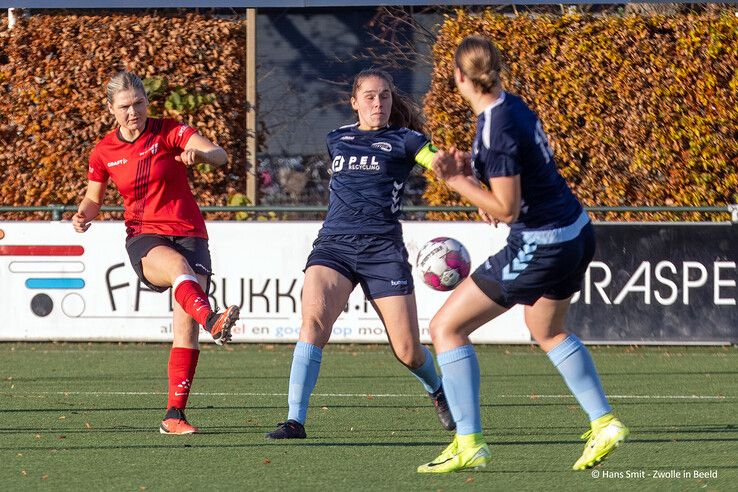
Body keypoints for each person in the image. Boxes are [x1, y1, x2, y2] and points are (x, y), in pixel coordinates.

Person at [417, 36, 628, 473]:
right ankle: (604, 422)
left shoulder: (496, 127)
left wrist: (455, 181)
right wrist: (474, 179)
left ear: (459, 76)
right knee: (544, 327)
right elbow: (512, 181)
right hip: (575, 231)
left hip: (542, 243)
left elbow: (507, 208)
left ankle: (468, 441)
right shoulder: (509, 107)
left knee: (446, 328)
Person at [266, 69, 454, 439]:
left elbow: (438, 162)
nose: (377, 103)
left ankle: (437, 389)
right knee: (313, 324)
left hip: (382, 250)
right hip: (334, 246)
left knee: (408, 351)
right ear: (354, 102)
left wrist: (478, 191)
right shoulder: (337, 139)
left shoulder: (407, 140)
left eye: (384, 96)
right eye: (369, 96)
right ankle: (294, 420)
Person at [72, 71, 240, 435]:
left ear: (147, 101)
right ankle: (212, 320)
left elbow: (220, 154)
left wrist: (200, 154)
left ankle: (174, 416)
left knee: (185, 330)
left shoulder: (169, 131)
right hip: (144, 236)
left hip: (191, 232)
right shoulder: (104, 151)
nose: (133, 112)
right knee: (178, 269)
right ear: (111, 110)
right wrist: (84, 214)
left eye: (138, 103)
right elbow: (94, 197)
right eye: (125, 107)